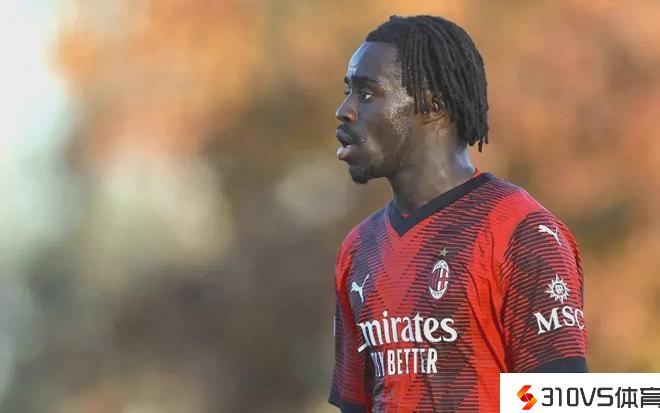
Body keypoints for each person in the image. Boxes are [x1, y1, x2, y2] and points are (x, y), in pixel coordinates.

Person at [329, 15, 587, 413]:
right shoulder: (358, 249)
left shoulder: (522, 233)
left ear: (431, 105)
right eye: (348, 92)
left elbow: (565, 400)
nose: (344, 111)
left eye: (366, 94)